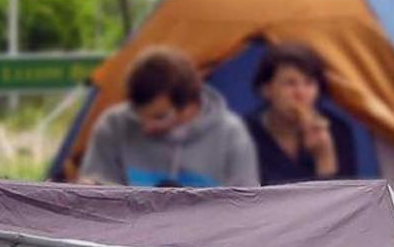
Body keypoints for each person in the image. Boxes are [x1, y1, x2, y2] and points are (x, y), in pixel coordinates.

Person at [79, 46, 260, 188]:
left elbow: (246, 209)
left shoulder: (231, 134)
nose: (146, 126)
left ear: (190, 106)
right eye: (137, 114)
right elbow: (94, 190)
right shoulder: (114, 125)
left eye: (159, 117)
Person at [244, 40, 361, 185]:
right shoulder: (245, 133)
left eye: (309, 83)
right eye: (290, 83)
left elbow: (346, 201)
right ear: (267, 90)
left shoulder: (337, 130)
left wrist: (324, 157)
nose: (301, 93)